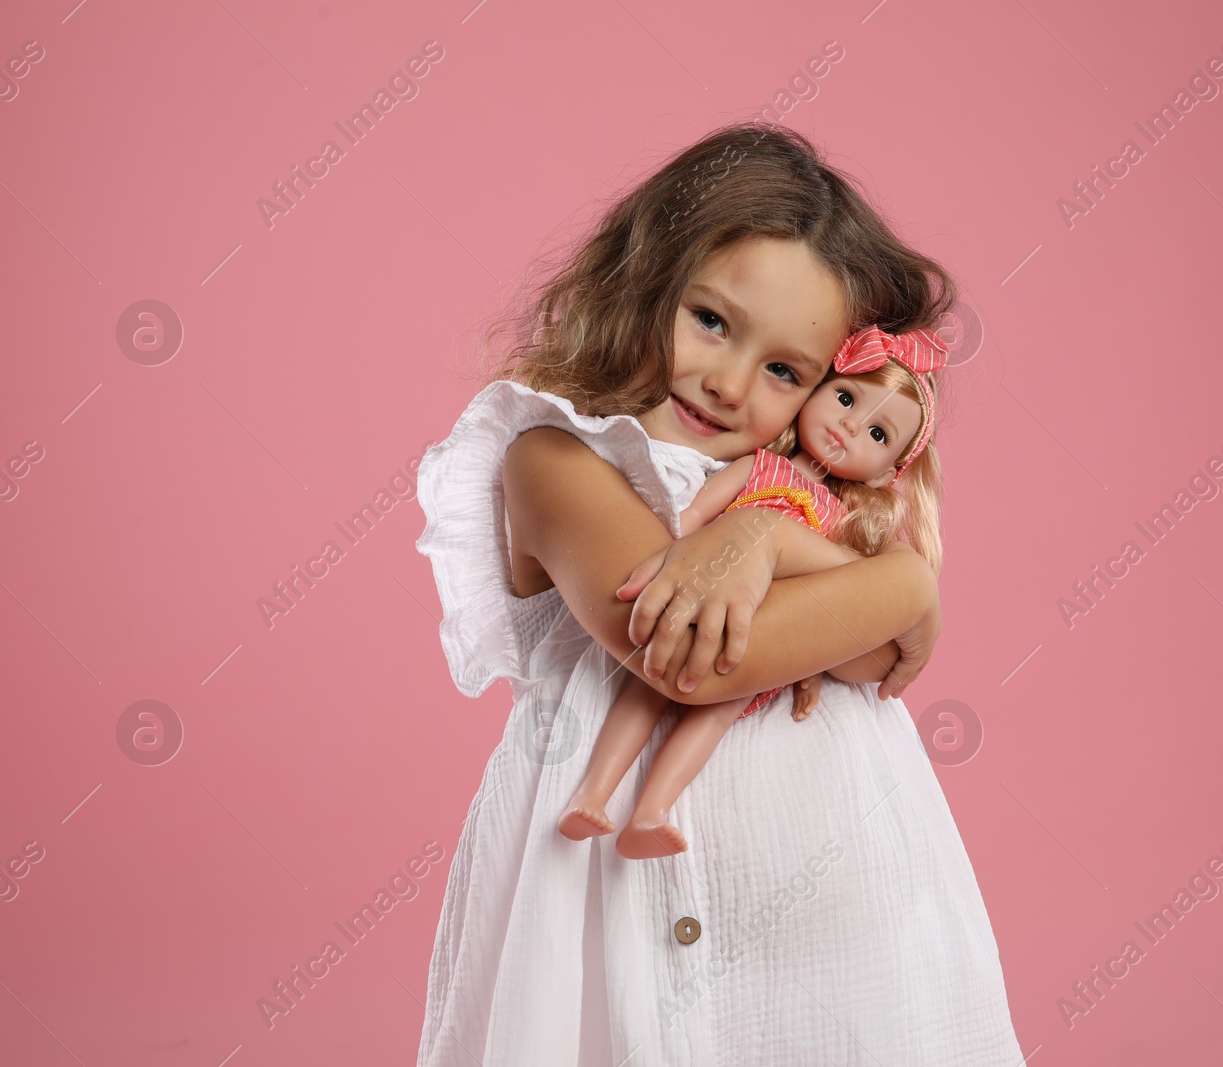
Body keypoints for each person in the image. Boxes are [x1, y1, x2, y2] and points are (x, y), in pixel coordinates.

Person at [414, 122, 1027, 1065]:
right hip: (600, 924)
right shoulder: (554, 460)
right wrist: (900, 580)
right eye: (710, 321)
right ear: (648, 284)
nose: (731, 382)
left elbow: (872, 659)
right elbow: (686, 658)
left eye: (787, 370)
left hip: (830, 935)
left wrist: (767, 534)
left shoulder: (802, 501)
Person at [558, 323, 954, 860]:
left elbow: (831, 609)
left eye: (879, 435)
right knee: (648, 682)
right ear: (813, 392)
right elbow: (691, 515)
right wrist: (665, 554)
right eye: (845, 398)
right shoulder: (760, 467)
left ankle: (651, 812)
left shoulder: (842, 527)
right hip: (693, 599)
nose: (850, 426)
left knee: (715, 709)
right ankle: (592, 795)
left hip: (758, 640)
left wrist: (807, 660)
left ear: (888, 475)